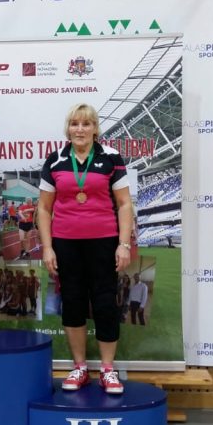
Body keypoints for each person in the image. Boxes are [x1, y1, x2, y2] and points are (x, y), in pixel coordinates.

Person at [36, 104, 134, 395]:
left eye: (86, 124)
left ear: (95, 128)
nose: (80, 129)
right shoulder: (55, 160)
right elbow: (44, 208)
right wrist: (47, 247)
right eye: (75, 124)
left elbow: (124, 204)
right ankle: (79, 367)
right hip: (66, 243)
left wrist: (123, 244)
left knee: (105, 303)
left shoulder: (111, 157)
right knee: (73, 302)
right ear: (68, 129)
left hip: (104, 241)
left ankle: (107, 370)